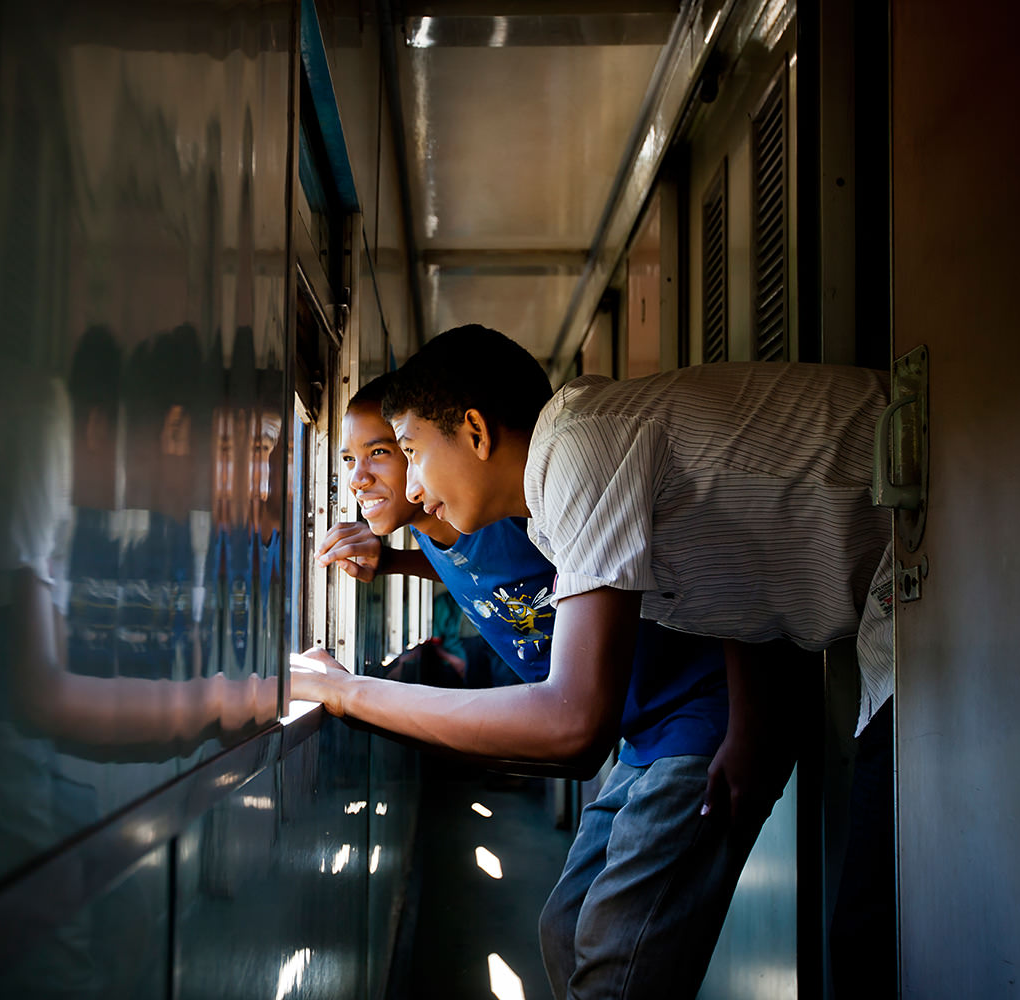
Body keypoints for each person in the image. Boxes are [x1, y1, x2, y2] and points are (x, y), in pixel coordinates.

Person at [291, 325, 893, 998]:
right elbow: (735, 578)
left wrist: (348, 694)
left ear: (475, 432)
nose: (405, 478)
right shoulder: (553, 502)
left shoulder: (579, 453)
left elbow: (574, 727)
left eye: (406, 451)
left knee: (867, 942)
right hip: (877, 605)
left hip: (929, 524)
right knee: (569, 924)